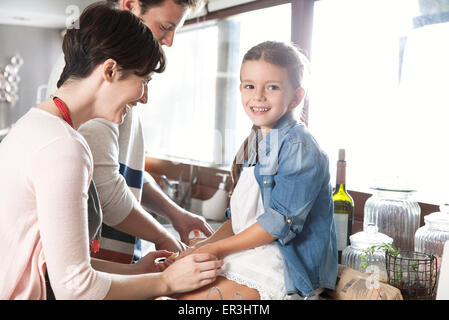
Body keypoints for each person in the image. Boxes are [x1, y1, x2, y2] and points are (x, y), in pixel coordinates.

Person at [0, 3, 222, 300]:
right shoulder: (63, 147)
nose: (144, 98)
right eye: (143, 81)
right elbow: (75, 289)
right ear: (110, 70)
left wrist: (137, 272)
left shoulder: (33, 125)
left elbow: (59, 264)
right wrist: (167, 283)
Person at [46, 0, 214, 265]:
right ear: (131, 5)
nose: (169, 41)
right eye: (165, 27)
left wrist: (174, 213)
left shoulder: (118, 79)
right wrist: (160, 235)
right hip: (95, 255)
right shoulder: (101, 82)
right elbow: (103, 186)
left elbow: (120, 169)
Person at [173, 41, 338, 300]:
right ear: (240, 89)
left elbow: (276, 225)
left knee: (187, 300)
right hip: (249, 254)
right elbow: (239, 221)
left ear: (296, 96)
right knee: (173, 290)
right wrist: (203, 247)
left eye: (272, 87)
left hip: (284, 267)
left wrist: (215, 250)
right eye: (250, 86)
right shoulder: (256, 142)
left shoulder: (299, 147)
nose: (258, 96)